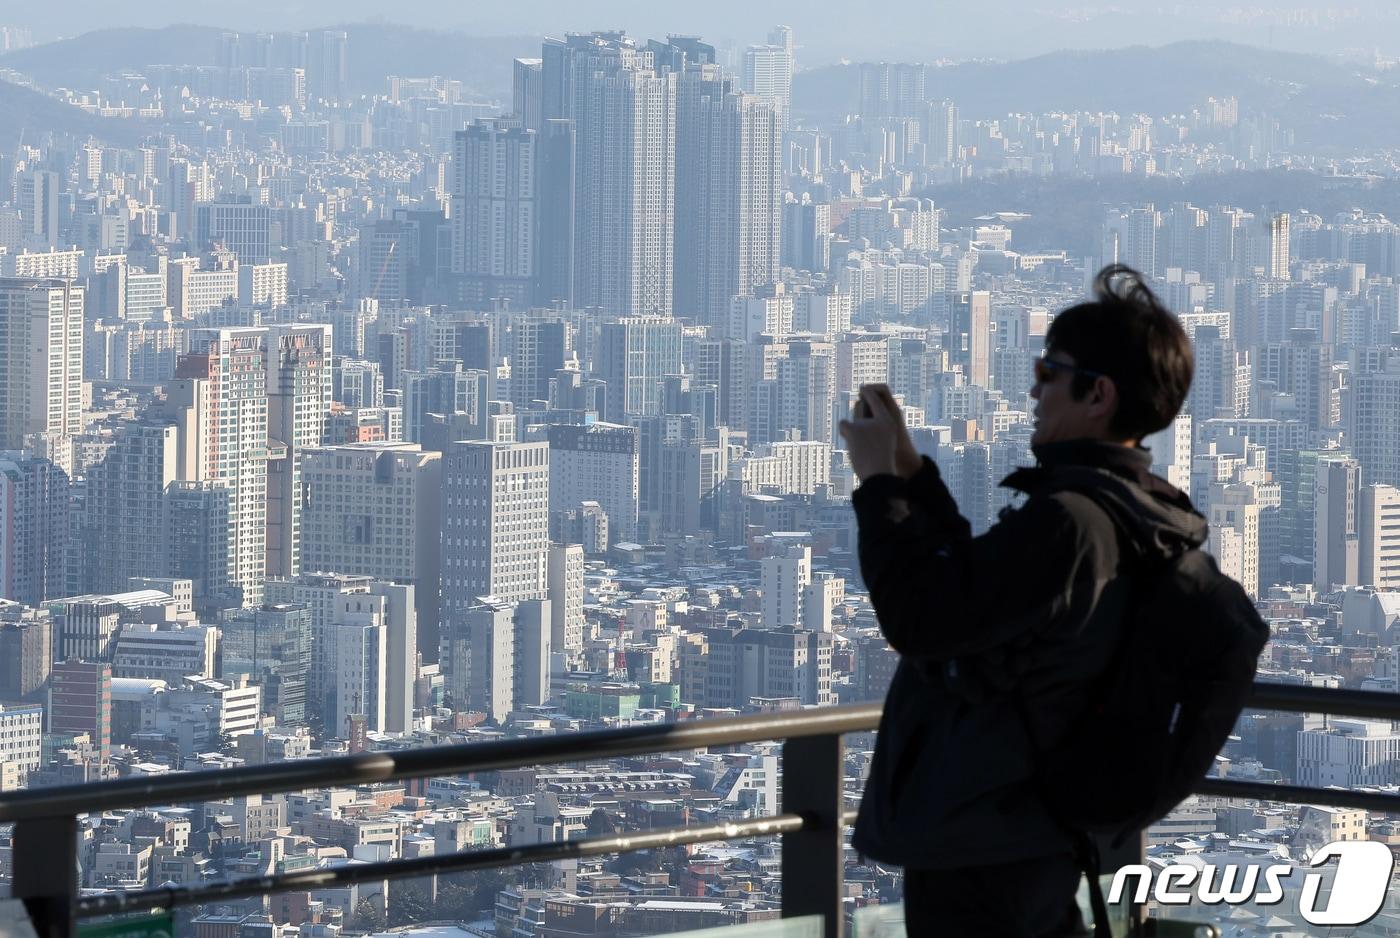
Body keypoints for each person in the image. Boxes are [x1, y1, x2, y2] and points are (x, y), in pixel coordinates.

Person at [840, 265, 1201, 936]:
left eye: (1049, 371)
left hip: (988, 835)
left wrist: (877, 486)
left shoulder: (1072, 522)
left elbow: (923, 622)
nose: (1033, 387)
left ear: (1098, 395)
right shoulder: (1128, 512)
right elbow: (973, 595)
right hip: (1032, 829)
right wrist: (912, 474)